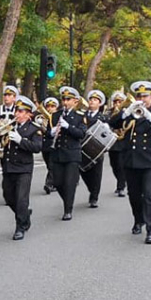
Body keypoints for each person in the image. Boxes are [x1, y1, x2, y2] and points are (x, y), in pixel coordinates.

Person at [107, 81, 151, 244]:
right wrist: (126, 113)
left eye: (145, 96)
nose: (142, 99)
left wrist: (148, 115)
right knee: (134, 195)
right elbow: (113, 123)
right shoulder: (130, 112)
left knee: (149, 194)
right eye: (139, 96)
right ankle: (138, 220)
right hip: (132, 160)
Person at [1, 96, 44, 240]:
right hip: (9, 166)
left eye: (20, 111)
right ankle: (24, 214)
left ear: (28, 113)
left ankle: (20, 227)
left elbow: (37, 147)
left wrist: (20, 140)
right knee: (8, 197)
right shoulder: (11, 125)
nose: (16, 114)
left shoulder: (34, 129)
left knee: (21, 199)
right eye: (16, 111)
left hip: (23, 168)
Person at [51, 86, 88, 221]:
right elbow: (47, 133)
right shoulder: (55, 115)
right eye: (64, 99)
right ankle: (67, 200)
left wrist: (68, 127)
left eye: (68, 99)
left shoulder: (80, 116)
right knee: (58, 183)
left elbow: (81, 134)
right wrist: (51, 132)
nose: (65, 102)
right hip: (57, 153)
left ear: (75, 101)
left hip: (72, 154)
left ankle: (68, 209)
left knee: (69, 183)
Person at [79, 89, 107, 208]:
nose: (92, 101)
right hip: (82, 147)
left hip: (96, 148)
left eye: (95, 100)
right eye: (91, 99)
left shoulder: (102, 117)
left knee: (96, 174)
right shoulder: (82, 115)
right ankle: (91, 189)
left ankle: (94, 196)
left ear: (99, 104)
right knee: (83, 171)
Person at [107, 91, 128, 197]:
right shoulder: (110, 112)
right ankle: (121, 182)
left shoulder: (126, 112)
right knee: (114, 165)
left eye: (120, 102)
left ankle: (121, 186)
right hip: (112, 142)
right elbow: (107, 123)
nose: (117, 104)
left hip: (123, 142)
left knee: (120, 165)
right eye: (115, 101)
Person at [40, 96, 59, 194]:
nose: (50, 108)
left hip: (54, 144)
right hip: (45, 145)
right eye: (48, 106)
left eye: (52, 106)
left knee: (52, 165)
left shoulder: (58, 118)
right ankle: (56, 182)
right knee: (49, 165)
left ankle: (49, 184)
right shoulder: (43, 118)